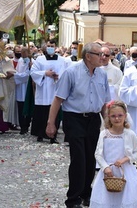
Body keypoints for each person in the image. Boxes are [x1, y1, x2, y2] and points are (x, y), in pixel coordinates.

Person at [46, 42, 110, 208]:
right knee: (79, 159)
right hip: (74, 119)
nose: (102, 57)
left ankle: (86, 193)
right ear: (88, 56)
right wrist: (50, 123)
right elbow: (58, 99)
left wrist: (109, 123)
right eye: (99, 54)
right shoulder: (71, 72)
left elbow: (104, 102)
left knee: (90, 159)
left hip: (93, 119)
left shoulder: (102, 75)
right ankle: (73, 199)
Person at [90, 101, 137, 208]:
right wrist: (105, 167)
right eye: (113, 116)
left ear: (125, 116)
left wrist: (126, 159)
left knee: (125, 199)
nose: (117, 119)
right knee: (106, 200)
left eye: (120, 116)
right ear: (109, 117)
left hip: (126, 172)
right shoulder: (104, 134)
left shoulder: (130, 134)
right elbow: (98, 154)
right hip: (108, 172)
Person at [31, 39, 69, 144]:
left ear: (55, 47)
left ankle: (53, 136)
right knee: (41, 113)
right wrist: (45, 73)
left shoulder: (62, 60)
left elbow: (65, 73)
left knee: (54, 113)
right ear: (45, 47)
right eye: (48, 46)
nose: (50, 47)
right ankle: (40, 134)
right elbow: (33, 72)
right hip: (43, 89)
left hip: (55, 89)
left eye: (52, 45)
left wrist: (58, 77)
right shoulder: (40, 59)